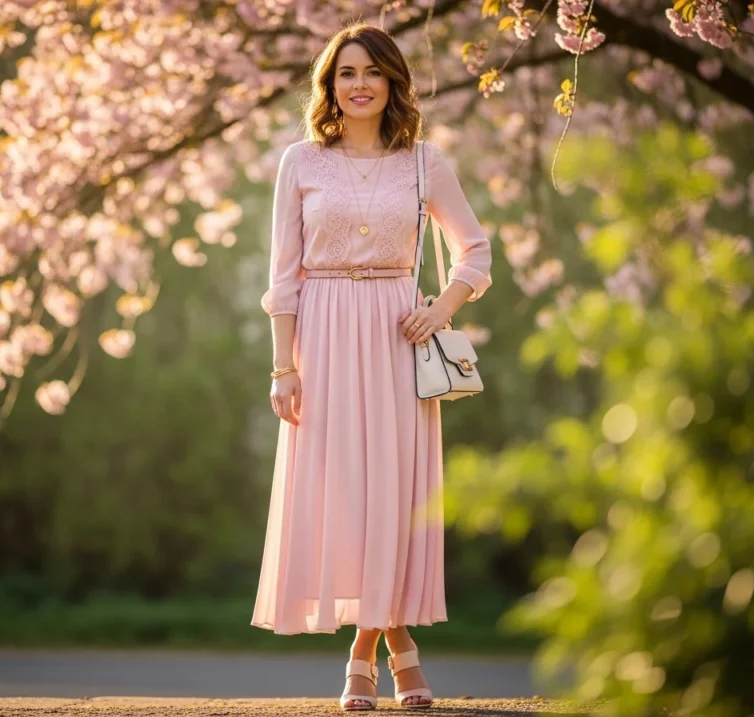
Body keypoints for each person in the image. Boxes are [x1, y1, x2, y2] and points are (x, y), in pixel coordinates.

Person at [251, 21, 493, 711]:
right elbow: (283, 275)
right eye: (345, 74)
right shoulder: (299, 161)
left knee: (391, 496)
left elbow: (475, 251)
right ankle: (398, 648)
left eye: (371, 73)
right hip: (321, 338)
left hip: (398, 335)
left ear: (393, 82)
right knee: (344, 497)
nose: (358, 85)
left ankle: (366, 652)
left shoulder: (424, 162)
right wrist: (282, 368)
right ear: (331, 85)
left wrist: (441, 307)